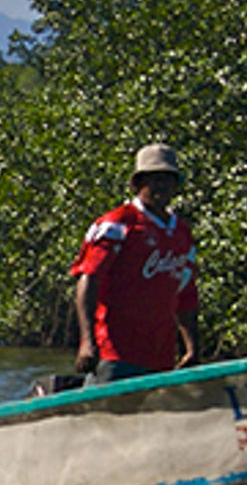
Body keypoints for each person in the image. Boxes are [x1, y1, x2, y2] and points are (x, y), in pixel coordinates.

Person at [70, 143, 200, 384]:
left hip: (160, 357)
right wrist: (87, 342)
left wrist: (191, 348)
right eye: (154, 180)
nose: (161, 186)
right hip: (115, 353)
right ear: (139, 184)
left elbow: (186, 294)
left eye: (167, 179)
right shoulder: (117, 225)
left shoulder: (182, 233)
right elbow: (88, 278)